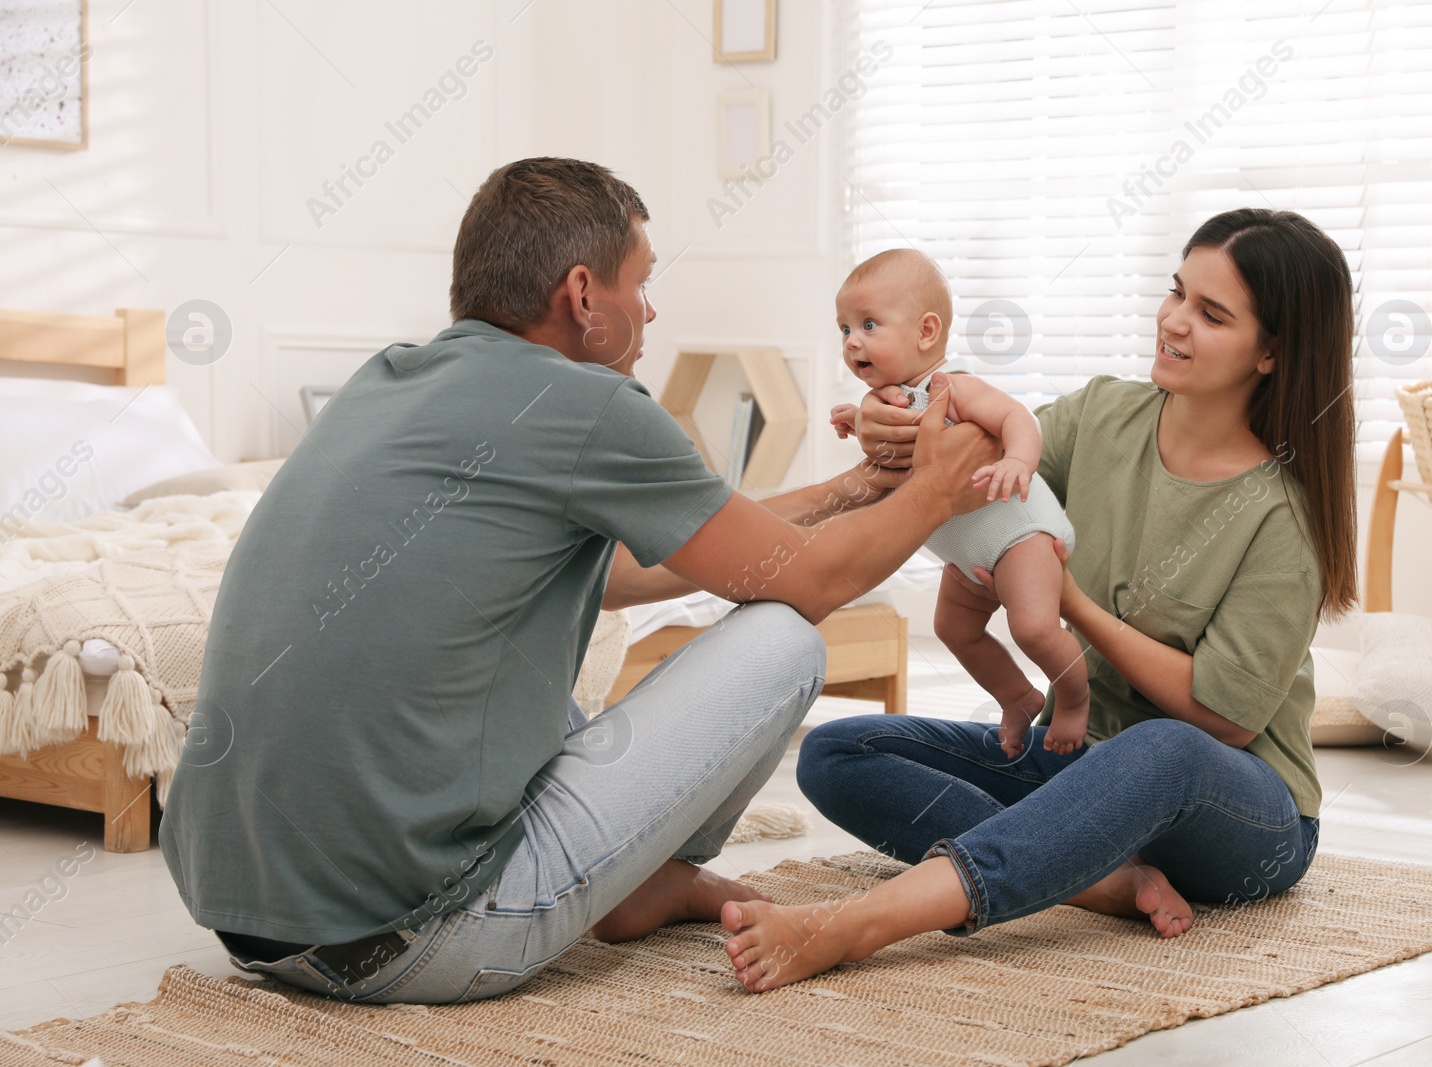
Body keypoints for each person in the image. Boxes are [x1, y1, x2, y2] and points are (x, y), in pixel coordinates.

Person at [159, 157, 999, 1005]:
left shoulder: (385, 381)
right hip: (420, 937)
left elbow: (632, 564)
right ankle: (644, 876)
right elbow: (809, 581)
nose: (652, 308)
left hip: (248, 924)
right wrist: (937, 487)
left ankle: (635, 881)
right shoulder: (589, 404)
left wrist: (854, 488)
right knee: (783, 635)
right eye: (642, 282)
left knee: (514, 636)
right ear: (583, 295)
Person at [720, 207, 1358, 993]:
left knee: (1160, 747)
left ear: (1272, 351)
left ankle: (855, 925)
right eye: (1176, 292)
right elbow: (966, 459)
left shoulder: (1280, 515)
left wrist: (1078, 608)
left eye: (1211, 313)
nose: (1174, 321)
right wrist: (899, 418)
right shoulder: (1103, 414)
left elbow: (1224, 718)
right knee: (838, 751)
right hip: (1082, 757)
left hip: (1241, 810)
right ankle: (1095, 876)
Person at [828, 249, 1090, 757]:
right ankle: (1016, 696)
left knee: (1034, 627)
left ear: (926, 332)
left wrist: (1018, 461)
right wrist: (855, 419)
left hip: (1019, 535)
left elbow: (1018, 418)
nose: (853, 341)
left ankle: (1076, 701)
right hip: (967, 554)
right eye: (844, 329)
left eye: (868, 325)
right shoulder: (888, 403)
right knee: (953, 628)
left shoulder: (953, 388)